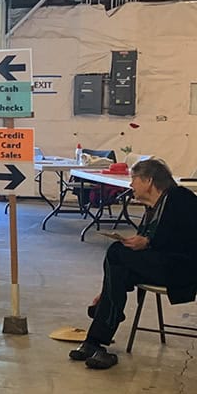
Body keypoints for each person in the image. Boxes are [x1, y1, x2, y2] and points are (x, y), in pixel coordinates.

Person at [70, 158, 197, 370]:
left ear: (148, 180)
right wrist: (107, 288)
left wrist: (148, 241)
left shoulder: (180, 198)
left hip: (183, 269)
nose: (131, 185)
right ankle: (96, 342)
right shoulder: (153, 207)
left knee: (117, 253)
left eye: (134, 179)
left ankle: (101, 331)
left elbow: (186, 241)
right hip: (162, 265)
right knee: (118, 270)